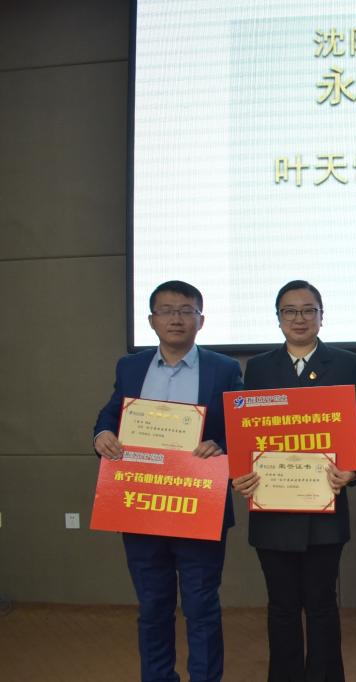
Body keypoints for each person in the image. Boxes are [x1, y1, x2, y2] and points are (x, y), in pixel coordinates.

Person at [93, 280, 243, 682]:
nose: (176, 319)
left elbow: (241, 430)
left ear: (201, 320)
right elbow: (111, 413)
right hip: (141, 508)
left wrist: (221, 445)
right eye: (167, 311)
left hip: (199, 508)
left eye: (186, 311)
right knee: (153, 607)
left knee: (201, 607)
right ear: (151, 320)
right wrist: (102, 434)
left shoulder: (224, 369)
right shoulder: (130, 367)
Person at [232, 280, 356, 682]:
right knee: (281, 605)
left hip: (324, 505)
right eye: (290, 311)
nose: (299, 318)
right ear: (278, 319)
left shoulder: (344, 363)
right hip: (272, 507)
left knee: (322, 603)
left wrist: (353, 469)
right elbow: (247, 431)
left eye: (309, 310)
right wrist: (240, 472)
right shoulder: (259, 367)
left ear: (322, 317)